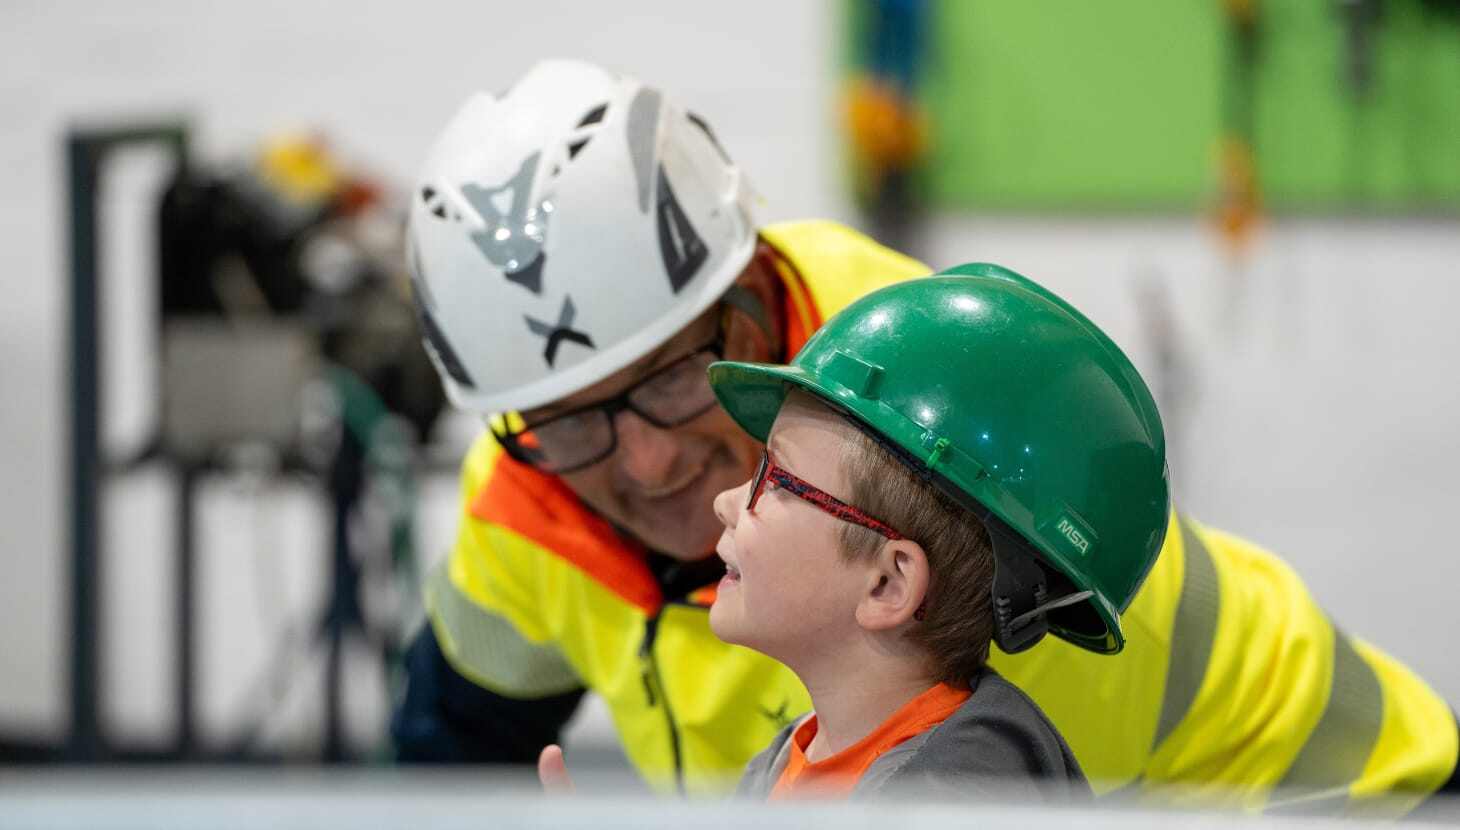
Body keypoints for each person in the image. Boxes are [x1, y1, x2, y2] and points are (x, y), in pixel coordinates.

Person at [392, 59, 1459, 814]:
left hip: (1328, 793)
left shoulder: (942, 435)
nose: (652, 461)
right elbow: (449, 749)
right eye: (576, 414)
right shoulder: (531, 477)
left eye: (676, 375)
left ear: (751, 293)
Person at [710, 263, 1171, 800]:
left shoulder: (959, 795)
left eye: (775, 479)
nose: (725, 502)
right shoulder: (784, 768)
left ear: (888, 583)